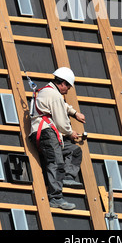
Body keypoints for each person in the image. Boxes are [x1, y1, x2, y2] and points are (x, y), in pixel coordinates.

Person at [29, 67, 86, 210]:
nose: (68, 90)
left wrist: (74, 113)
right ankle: (55, 198)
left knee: (74, 151)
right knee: (56, 161)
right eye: (68, 87)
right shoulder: (54, 95)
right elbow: (61, 122)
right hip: (46, 132)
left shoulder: (49, 92)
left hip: (49, 133)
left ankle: (67, 177)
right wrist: (70, 132)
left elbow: (62, 105)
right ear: (63, 84)